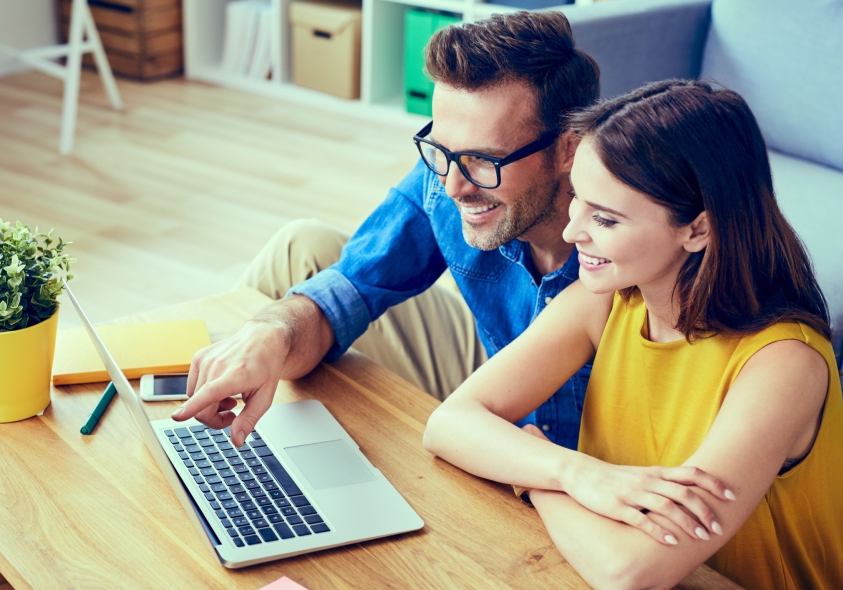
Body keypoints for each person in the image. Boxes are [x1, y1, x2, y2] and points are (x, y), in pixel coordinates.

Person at [422, 79, 843, 589]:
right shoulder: (606, 303)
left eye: (606, 218)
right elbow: (449, 423)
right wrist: (576, 474)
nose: (573, 232)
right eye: (578, 200)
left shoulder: (783, 364)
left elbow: (632, 572)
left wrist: (533, 479)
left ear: (698, 230)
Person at [172, 12, 602, 450]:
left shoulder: (631, 234)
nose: (454, 187)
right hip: (491, 365)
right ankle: (219, 422)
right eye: (441, 151)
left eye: (483, 161)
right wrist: (272, 333)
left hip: (592, 444)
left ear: (568, 148)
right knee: (303, 247)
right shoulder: (448, 176)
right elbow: (353, 284)